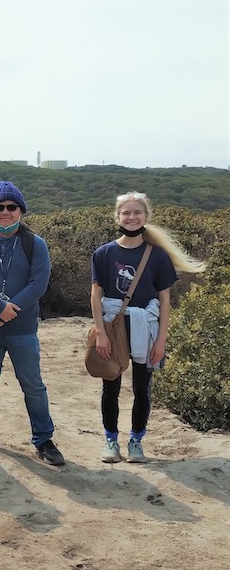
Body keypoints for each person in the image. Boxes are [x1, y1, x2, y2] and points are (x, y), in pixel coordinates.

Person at [91, 191, 205, 464]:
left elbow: (164, 300)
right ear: (117, 216)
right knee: (111, 387)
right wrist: (100, 333)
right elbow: (95, 294)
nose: (131, 217)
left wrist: (161, 340)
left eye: (137, 212)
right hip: (114, 327)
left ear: (146, 216)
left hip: (146, 328)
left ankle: (136, 442)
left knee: (142, 389)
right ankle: (110, 440)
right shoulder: (104, 253)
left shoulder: (157, 255)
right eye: (126, 213)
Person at [0, 180, 65, 466]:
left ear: (21, 211)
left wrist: (7, 310)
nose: (5, 212)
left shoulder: (35, 244)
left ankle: (43, 439)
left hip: (22, 330)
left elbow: (38, 284)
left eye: (12, 207)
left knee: (33, 385)